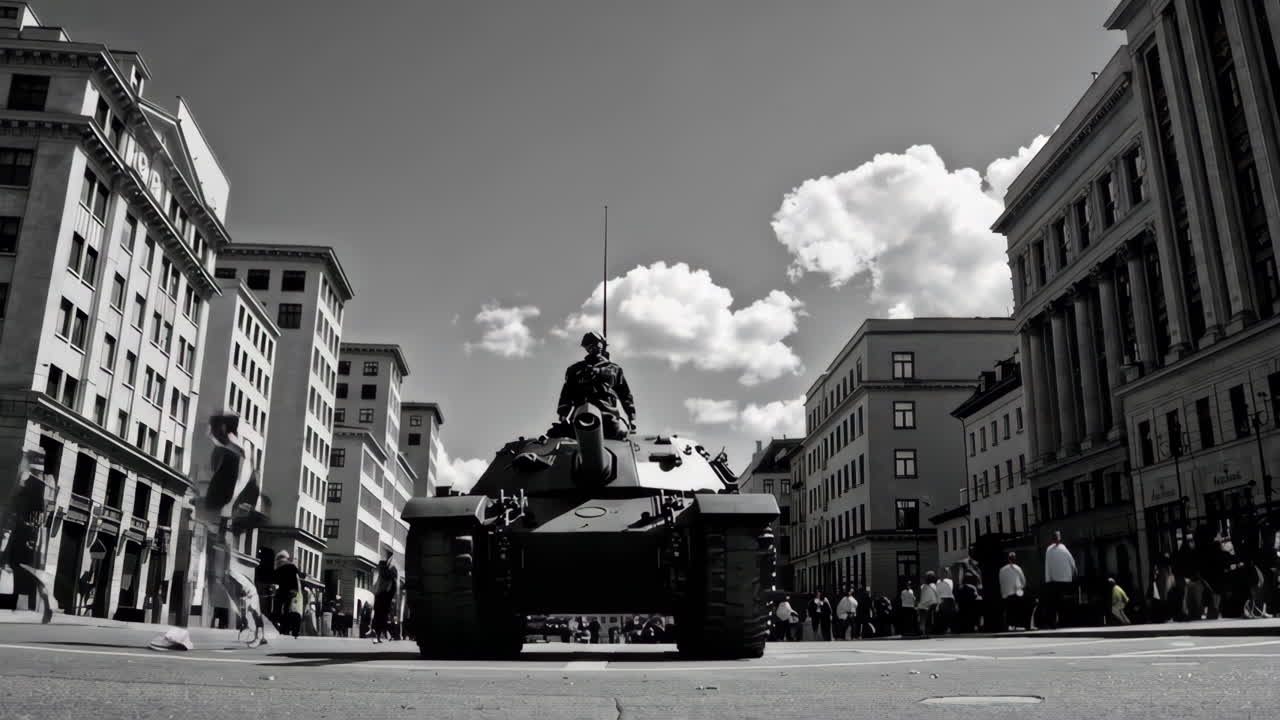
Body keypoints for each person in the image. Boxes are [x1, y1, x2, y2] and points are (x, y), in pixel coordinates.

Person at [197, 410, 269, 647]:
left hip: (221, 522)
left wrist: (209, 512)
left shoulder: (230, 454)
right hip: (224, 522)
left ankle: (255, 621)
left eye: (212, 428)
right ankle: (255, 624)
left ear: (222, 430)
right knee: (221, 575)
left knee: (224, 574)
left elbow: (225, 492)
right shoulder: (239, 453)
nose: (208, 433)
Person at [556, 332, 636, 439]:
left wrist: (631, 417)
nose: (595, 347)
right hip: (580, 416)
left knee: (616, 434)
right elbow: (567, 393)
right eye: (590, 345)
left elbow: (625, 395)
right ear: (586, 348)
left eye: (597, 344)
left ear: (602, 345)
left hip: (608, 416)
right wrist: (563, 414)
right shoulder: (575, 370)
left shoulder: (614, 369)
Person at [1043, 531, 1078, 629]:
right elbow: (1072, 562)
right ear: (1059, 538)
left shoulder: (1048, 549)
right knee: (1064, 602)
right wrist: (1075, 574)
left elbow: (1047, 565)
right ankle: (1064, 621)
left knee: (1054, 603)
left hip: (1053, 581)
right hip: (1065, 581)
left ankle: (1054, 622)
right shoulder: (1063, 549)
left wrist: (1048, 579)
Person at [372, 550, 399, 643]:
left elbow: (392, 583)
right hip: (382, 595)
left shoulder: (391, 569)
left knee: (382, 617)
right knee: (380, 616)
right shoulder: (386, 568)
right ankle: (378, 635)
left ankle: (379, 636)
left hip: (384, 596)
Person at [999, 552, 1027, 631]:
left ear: (1008, 559)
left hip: (1006, 594)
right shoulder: (1018, 568)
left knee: (1008, 610)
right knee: (1016, 609)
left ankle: (1008, 625)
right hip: (1015, 593)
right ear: (1015, 559)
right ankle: (1016, 625)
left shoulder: (1002, 570)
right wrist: (1020, 588)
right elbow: (1024, 582)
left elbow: (1001, 582)